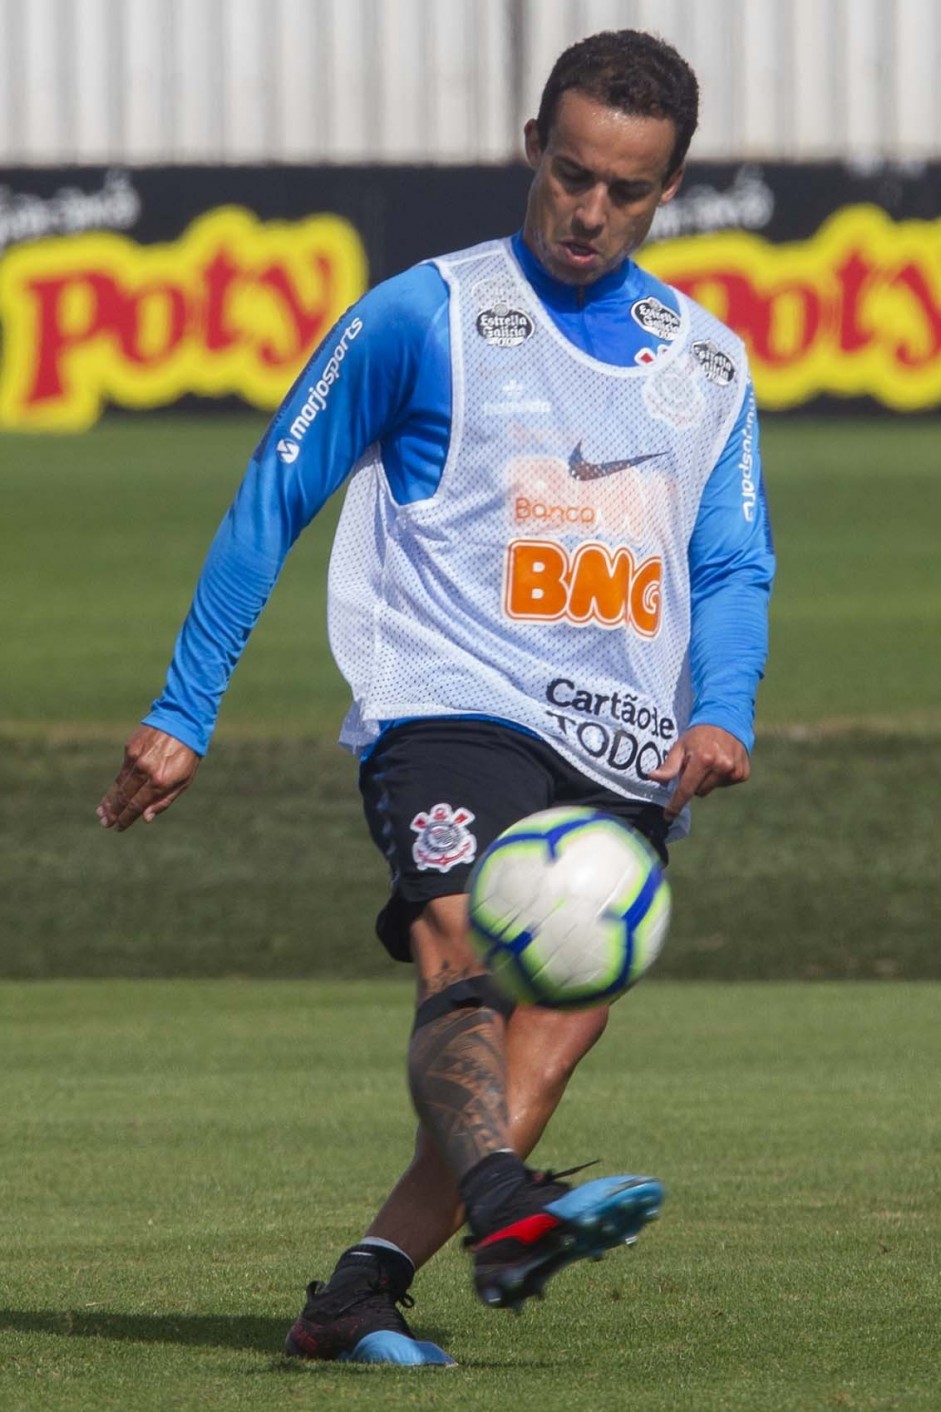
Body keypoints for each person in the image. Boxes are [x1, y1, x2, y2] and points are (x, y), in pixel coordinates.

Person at [98, 29, 774, 1367]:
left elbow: (731, 556)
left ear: (669, 191)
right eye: (569, 174)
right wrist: (184, 712)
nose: (587, 210)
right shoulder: (424, 312)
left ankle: (356, 1296)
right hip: (449, 704)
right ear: (532, 148)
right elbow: (270, 498)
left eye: (623, 190)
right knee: (459, 956)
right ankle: (507, 1205)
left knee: (555, 1029)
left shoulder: (703, 363)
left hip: (628, 745)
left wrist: (726, 709)